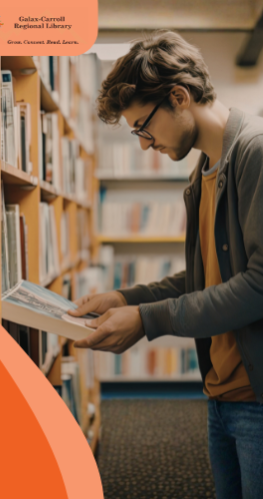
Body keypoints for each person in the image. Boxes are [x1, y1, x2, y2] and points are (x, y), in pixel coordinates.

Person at [69, 30, 263, 498]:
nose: (143, 145)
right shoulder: (204, 169)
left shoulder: (255, 154)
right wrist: (127, 298)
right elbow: (205, 279)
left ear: (179, 97)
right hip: (222, 395)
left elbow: (258, 285)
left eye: (143, 127)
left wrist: (147, 319)